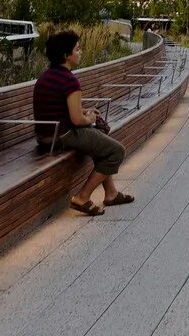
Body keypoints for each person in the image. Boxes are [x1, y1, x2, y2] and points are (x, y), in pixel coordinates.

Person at [32, 30, 134, 216]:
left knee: (100, 140)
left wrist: (84, 112)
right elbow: (77, 120)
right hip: (62, 136)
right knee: (116, 150)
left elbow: (61, 109)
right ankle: (82, 197)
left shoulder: (45, 77)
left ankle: (111, 193)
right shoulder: (70, 81)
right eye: (77, 49)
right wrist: (90, 118)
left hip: (44, 136)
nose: (81, 52)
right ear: (66, 55)